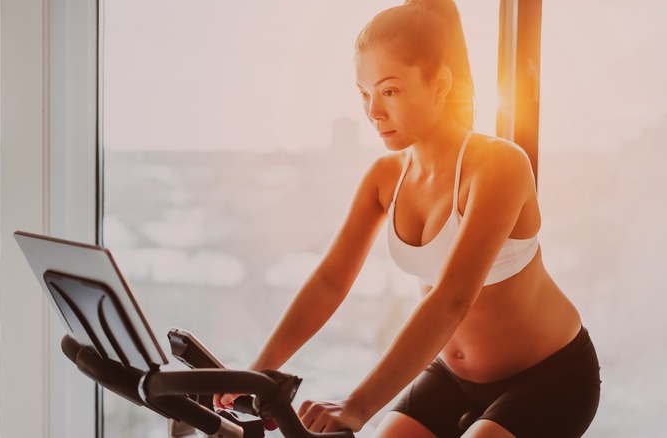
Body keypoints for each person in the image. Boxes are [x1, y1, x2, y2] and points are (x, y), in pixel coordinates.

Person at [215, 1, 601, 436]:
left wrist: (356, 406)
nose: (373, 112)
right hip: (450, 378)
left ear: (439, 83)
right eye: (365, 93)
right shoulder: (385, 177)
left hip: (548, 377)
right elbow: (330, 282)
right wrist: (254, 372)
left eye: (390, 91)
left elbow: (451, 300)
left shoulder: (499, 166)